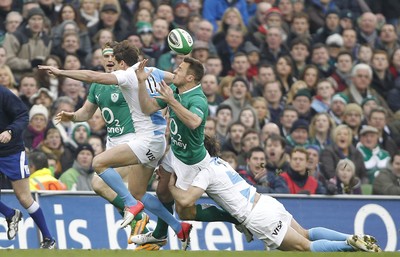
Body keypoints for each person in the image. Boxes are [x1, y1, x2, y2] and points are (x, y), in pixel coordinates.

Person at [38, 40, 192, 248]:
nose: (110, 60)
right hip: (142, 142)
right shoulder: (148, 71)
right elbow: (178, 80)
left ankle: (135, 214)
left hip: (138, 141)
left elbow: (92, 75)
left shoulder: (125, 77)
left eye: (113, 56)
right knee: (137, 193)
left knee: (99, 172)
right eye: (106, 56)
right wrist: (72, 117)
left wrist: (61, 72)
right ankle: (177, 226)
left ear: (120, 61)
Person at [167, 134, 382, 252]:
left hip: (258, 217)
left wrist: (171, 187)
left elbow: (186, 201)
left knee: (305, 247)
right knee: (305, 233)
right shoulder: (220, 162)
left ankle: (348, 246)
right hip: (266, 202)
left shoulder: (206, 171)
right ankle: (351, 237)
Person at [133, 58, 241, 249]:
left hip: (191, 161)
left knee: (185, 213)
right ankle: (159, 235)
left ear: (190, 77)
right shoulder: (175, 90)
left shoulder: (197, 98)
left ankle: (234, 219)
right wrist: (141, 82)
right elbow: (147, 108)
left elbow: (194, 122)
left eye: (180, 70)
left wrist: (171, 101)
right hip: (175, 152)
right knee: (162, 192)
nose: (175, 71)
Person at [0, 85, 56, 248]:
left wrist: (9, 131)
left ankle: (48, 238)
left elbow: (22, 115)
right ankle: (10, 214)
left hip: (11, 152)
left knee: (24, 197)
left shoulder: (3, 93)